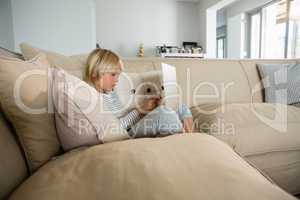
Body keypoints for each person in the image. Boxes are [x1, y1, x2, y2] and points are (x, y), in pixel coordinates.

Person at [84, 48, 193, 138]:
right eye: (113, 75)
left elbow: (122, 117)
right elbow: (114, 128)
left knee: (179, 107)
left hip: (132, 126)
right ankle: (183, 143)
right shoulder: (93, 97)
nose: (117, 80)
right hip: (123, 135)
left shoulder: (109, 92)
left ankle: (192, 138)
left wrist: (145, 109)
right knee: (164, 113)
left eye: (118, 75)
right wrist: (140, 110)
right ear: (94, 73)